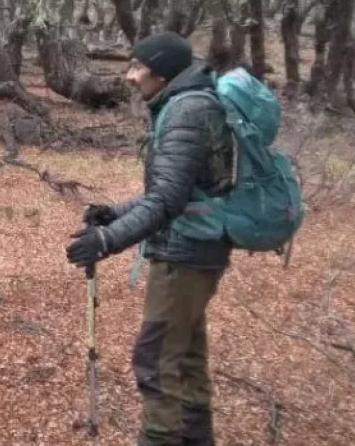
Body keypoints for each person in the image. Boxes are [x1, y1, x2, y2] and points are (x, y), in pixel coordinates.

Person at [66, 31, 235, 446]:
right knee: (186, 359)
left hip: (186, 254)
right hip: (199, 247)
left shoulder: (185, 112)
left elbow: (168, 200)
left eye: (137, 66)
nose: (129, 76)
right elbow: (176, 188)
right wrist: (115, 212)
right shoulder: (187, 103)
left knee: (155, 361)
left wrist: (107, 239)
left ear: (160, 73)